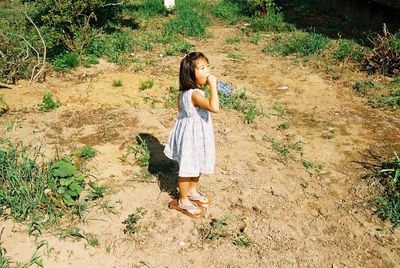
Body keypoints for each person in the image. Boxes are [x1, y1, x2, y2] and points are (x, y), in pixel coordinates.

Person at [164, 52, 219, 218]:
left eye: (207, 66)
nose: (207, 71)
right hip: (192, 137)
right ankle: (182, 200)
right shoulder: (194, 95)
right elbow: (214, 107)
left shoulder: (184, 94)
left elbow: (181, 112)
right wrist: (213, 86)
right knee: (188, 168)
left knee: (198, 162)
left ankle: (192, 191)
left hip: (196, 135)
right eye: (202, 68)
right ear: (190, 74)